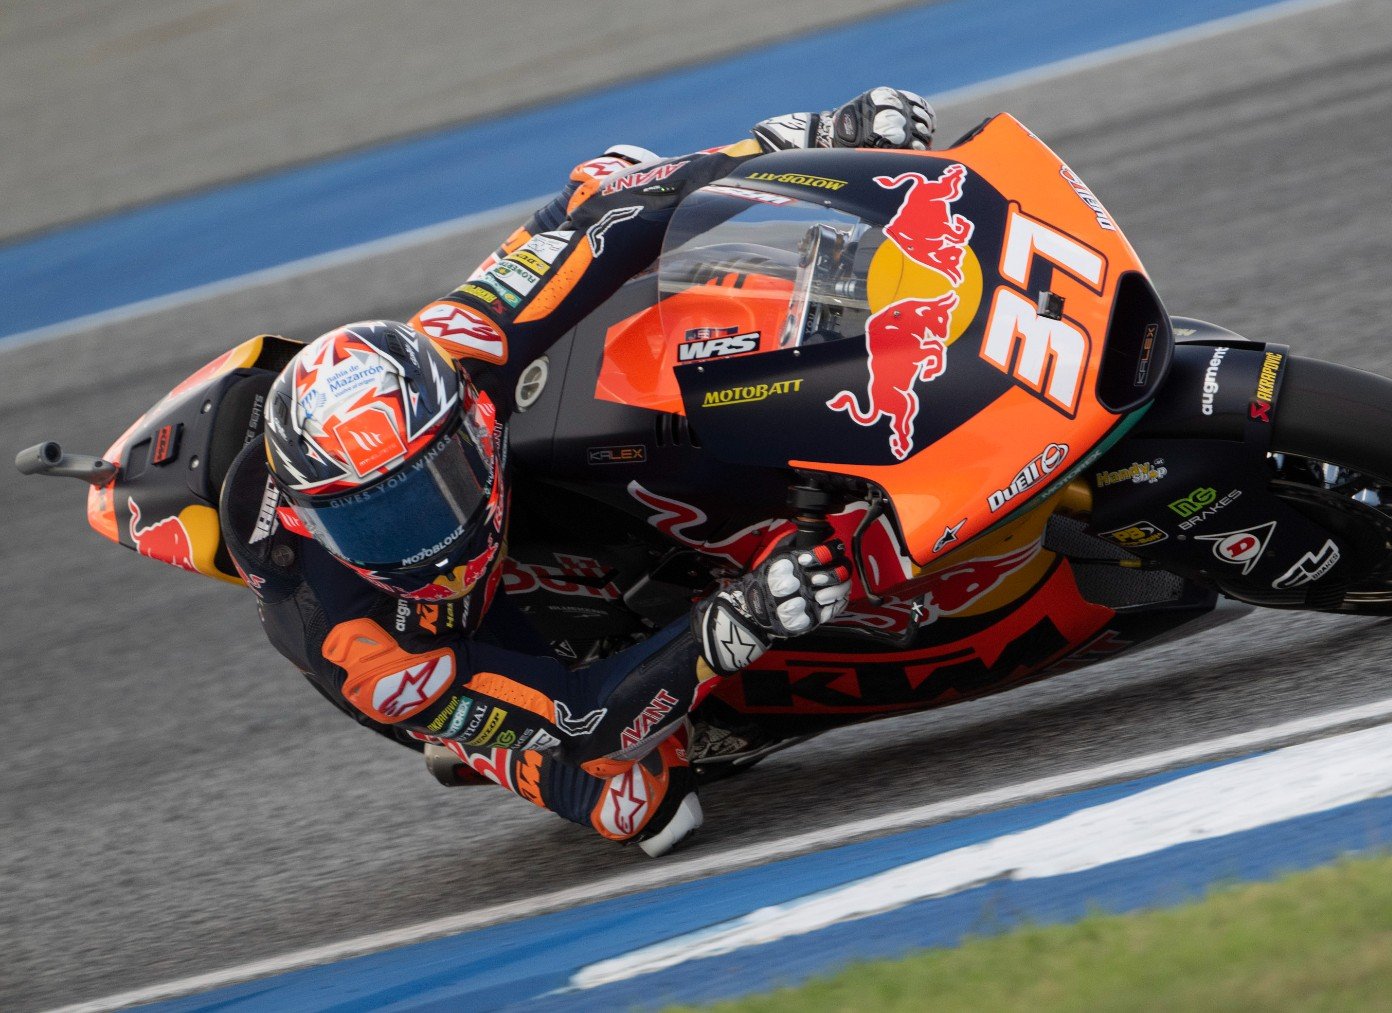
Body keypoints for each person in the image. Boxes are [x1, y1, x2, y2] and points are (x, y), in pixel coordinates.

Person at [218, 88, 937, 856]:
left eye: (440, 483)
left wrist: (804, 141)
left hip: (496, 353)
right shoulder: (370, 651)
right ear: (312, 521)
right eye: (378, 521)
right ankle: (473, 742)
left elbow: (611, 217)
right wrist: (737, 623)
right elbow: (579, 716)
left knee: (614, 175)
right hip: (458, 654)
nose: (430, 542)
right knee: (640, 805)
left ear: (468, 418)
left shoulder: (457, 353)